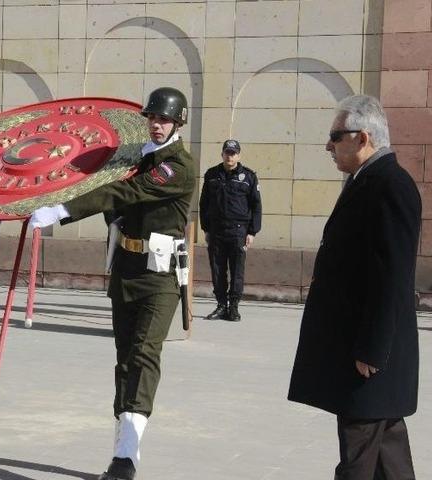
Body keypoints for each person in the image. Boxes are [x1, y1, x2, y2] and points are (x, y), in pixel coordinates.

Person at [29, 87, 196, 480]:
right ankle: (121, 446)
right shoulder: (137, 158)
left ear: (178, 123)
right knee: (124, 359)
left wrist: (63, 210)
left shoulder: (178, 166)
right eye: (152, 118)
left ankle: (127, 457)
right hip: (127, 268)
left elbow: (127, 191)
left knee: (143, 354)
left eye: (164, 120)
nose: (156, 125)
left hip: (160, 276)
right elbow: (111, 194)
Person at [287, 95, 421, 479]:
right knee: (388, 454)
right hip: (366, 350)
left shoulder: (390, 186)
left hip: (372, 354)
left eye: (335, 136)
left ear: (362, 138)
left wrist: (373, 349)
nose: (328, 145)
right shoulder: (367, 181)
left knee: (357, 458)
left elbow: (392, 276)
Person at [199, 139, 261, 321]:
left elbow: (256, 206)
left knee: (237, 270)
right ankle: (221, 305)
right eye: (227, 152)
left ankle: (233, 307)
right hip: (216, 231)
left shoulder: (249, 177)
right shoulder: (212, 175)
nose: (230, 156)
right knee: (217, 269)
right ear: (222, 154)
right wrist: (206, 229)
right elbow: (204, 204)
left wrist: (252, 232)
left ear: (239, 155)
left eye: (233, 153)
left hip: (238, 231)